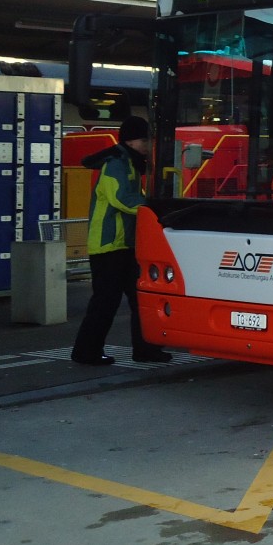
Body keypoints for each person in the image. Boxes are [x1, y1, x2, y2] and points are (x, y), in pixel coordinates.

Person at [71, 116, 172, 365]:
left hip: (124, 244)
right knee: (106, 301)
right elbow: (122, 198)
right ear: (131, 140)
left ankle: (145, 349)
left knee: (138, 298)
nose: (149, 144)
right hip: (109, 244)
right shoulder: (116, 164)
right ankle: (86, 351)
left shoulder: (130, 162)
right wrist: (154, 210)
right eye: (145, 139)